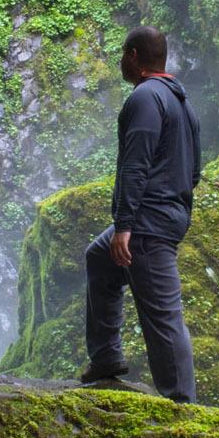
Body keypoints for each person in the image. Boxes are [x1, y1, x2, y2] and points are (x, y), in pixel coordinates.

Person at [80, 25, 201, 404]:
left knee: (163, 316)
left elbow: (135, 165)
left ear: (133, 56)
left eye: (122, 54)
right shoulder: (182, 101)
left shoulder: (146, 98)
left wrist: (126, 224)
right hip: (166, 215)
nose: (120, 61)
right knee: (99, 257)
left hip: (147, 224)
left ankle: (183, 406)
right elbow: (195, 169)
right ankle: (106, 357)